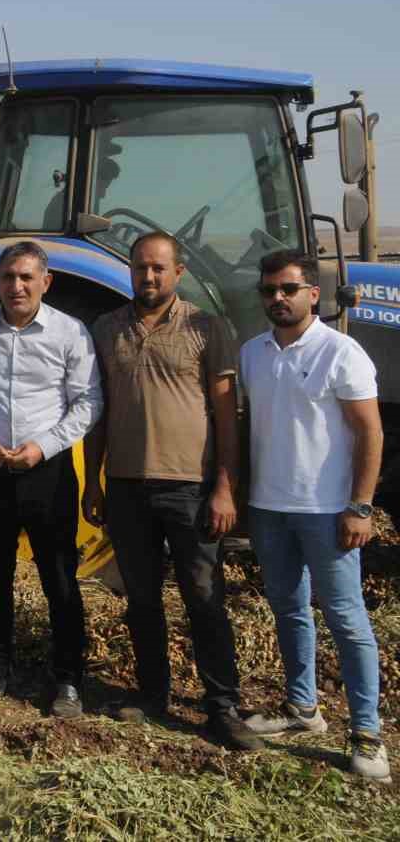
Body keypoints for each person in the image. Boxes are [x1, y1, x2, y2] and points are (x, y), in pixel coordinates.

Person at [80, 232, 261, 751]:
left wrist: (225, 487)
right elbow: (99, 414)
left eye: (158, 269)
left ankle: (221, 707)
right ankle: (152, 694)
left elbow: (227, 417)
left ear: (178, 272)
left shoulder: (207, 328)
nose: (148, 277)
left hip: (190, 488)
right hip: (127, 487)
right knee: (141, 598)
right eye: (140, 268)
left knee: (204, 597)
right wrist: (93, 480)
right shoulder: (107, 328)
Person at [238, 250, 388, 783]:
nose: (277, 298)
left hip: (327, 512)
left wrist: (360, 506)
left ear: (313, 294)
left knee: (347, 620)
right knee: (289, 609)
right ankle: (304, 709)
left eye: (288, 289)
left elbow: (370, 432)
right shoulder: (252, 353)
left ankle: (367, 733)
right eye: (269, 290)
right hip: (270, 507)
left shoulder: (340, 353)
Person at [0, 240, 102, 717]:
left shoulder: (70, 332)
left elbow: (89, 402)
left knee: (59, 577)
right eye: (8, 277)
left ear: (45, 282)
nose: (17, 286)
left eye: (26, 277)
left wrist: (44, 446)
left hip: (47, 474)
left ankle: (68, 679)